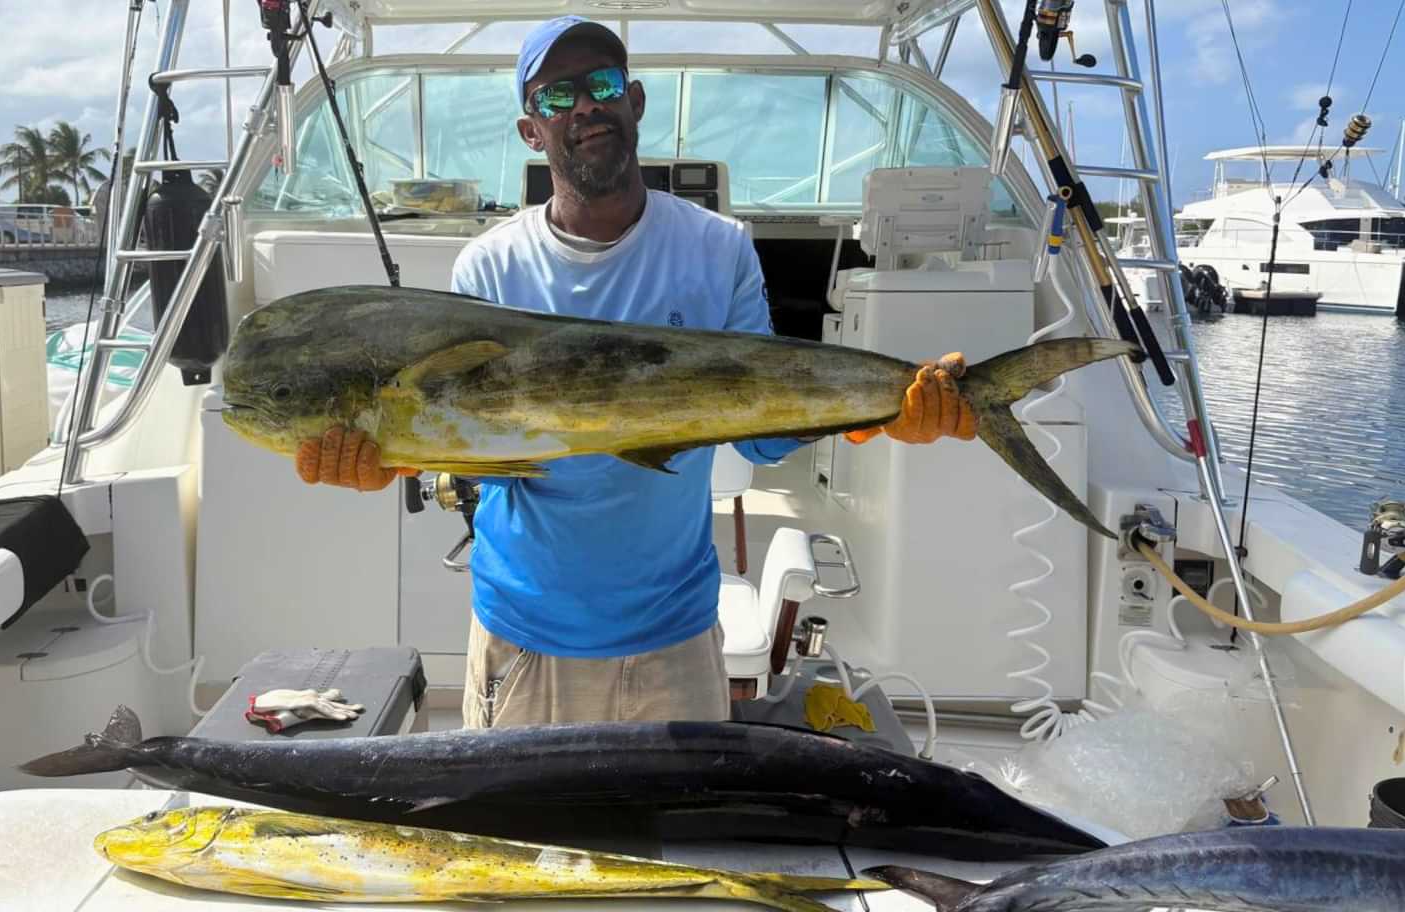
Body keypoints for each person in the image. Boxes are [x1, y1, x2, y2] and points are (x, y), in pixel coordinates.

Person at [291, 16, 976, 728]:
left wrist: (883, 414)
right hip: (527, 633)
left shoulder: (719, 249)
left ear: (635, 101)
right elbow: (488, 458)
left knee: (672, 844)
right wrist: (393, 459)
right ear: (532, 132)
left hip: (674, 634)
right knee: (526, 843)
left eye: (602, 84)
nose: (584, 106)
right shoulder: (487, 267)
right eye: (557, 98)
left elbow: (761, 438)